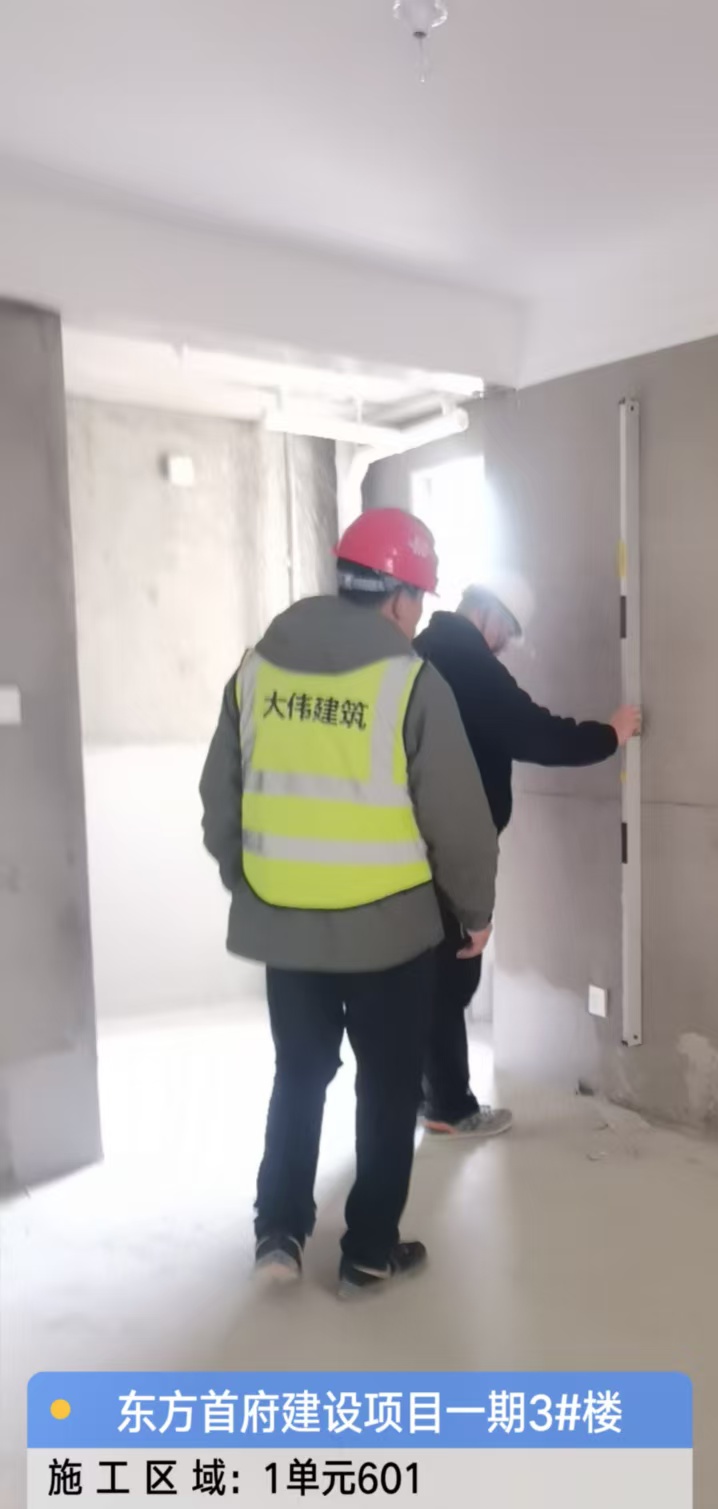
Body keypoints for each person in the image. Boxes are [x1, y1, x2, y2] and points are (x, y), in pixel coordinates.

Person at [199, 508, 499, 1297]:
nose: (419, 618)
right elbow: (459, 819)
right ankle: (367, 1250)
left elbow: (219, 799)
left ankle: (278, 1233)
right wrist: (474, 912)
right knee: (387, 1088)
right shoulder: (411, 681)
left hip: (286, 925)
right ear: (399, 598)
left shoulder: (256, 670)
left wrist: (255, 884)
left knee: (298, 1074)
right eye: (420, 601)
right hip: (389, 931)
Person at [414, 568, 641, 1137]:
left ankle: (421, 1094)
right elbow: (535, 732)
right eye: (507, 632)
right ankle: (448, 1106)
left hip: (406, 841)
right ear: (487, 614)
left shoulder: (418, 650)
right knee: (453, 971)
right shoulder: (467, 662)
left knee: (422, 972)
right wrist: (609, 735)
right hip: (450, 846)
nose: (506, 646)